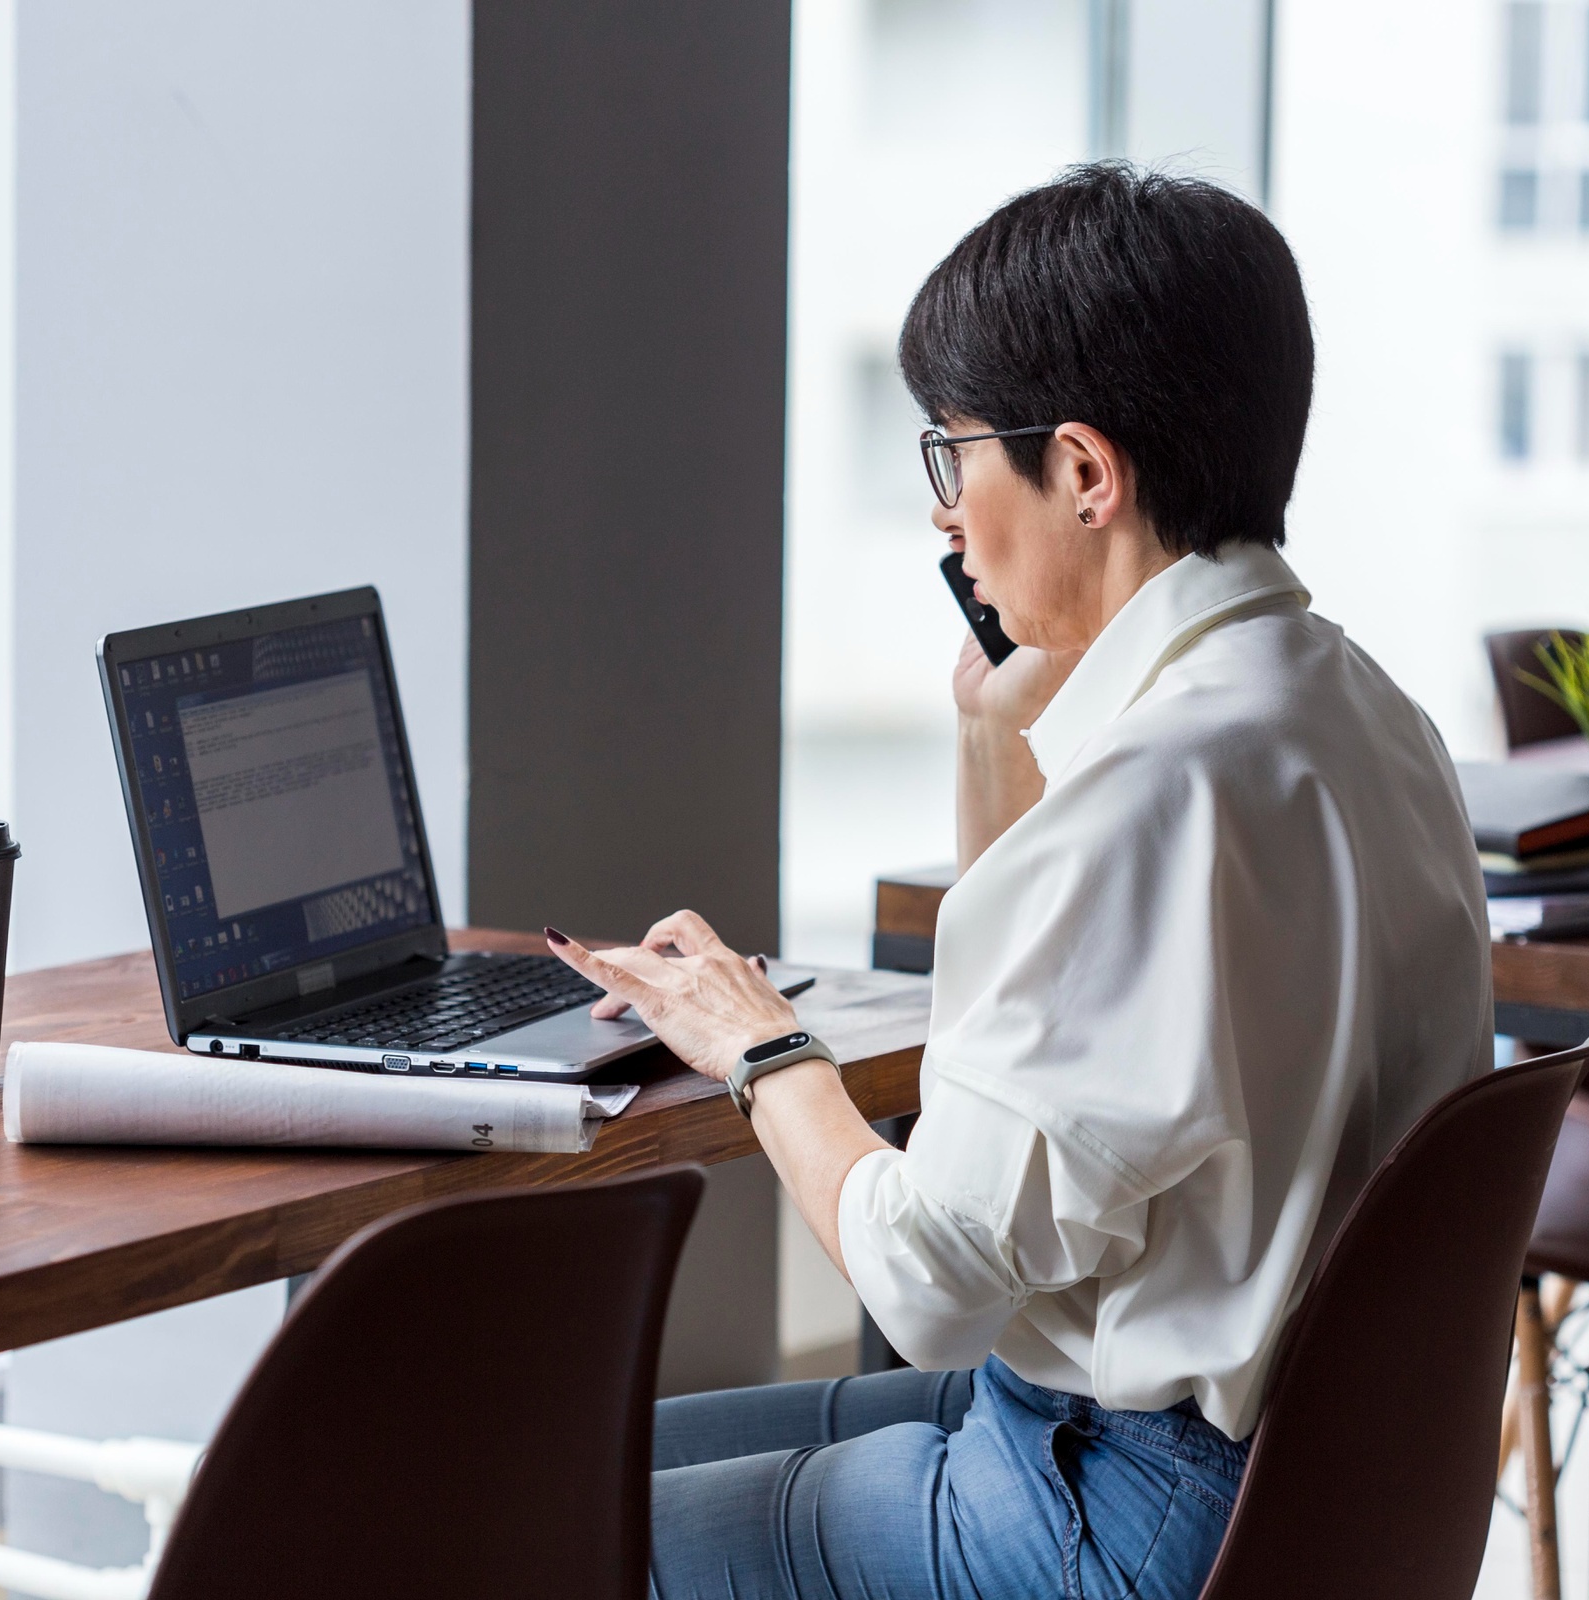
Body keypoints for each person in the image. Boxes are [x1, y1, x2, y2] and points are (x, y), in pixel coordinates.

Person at [545, 163, 1492, 1600]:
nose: (947, 516)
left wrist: (765, 1049)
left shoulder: (1152, 792)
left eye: (959, 455)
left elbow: (928, 1285)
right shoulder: (1362, 715)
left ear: (1088, 475)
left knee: (516, 1533)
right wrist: (1000, 729)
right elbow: (1040, 1038)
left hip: (1123, 1508)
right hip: (1294, 1488)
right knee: (580, 1463)